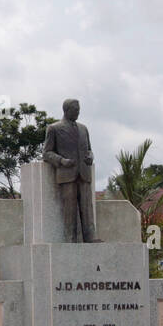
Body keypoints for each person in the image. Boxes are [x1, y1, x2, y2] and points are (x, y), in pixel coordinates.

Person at [41, 98, 101, 243]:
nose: (78, 113)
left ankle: (90, 236)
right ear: (67, 110)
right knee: (69, 209)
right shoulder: (54, 128)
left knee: (87, 207)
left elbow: (89, 150)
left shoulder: (83, 129)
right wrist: (61, 161)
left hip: (84, 173)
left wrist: (90, 157)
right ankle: (70, 238)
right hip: (67, 173)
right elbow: (46, 153)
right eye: (75, 110)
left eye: (79, 110)